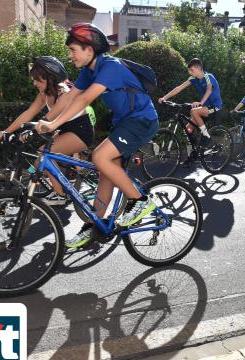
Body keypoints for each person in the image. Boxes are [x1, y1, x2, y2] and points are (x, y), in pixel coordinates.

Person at [37, 23, 159, 248]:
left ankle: (141, 201)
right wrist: (43, 122)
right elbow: (70, 97)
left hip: (142, 121)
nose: (70, 55)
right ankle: (97, 225)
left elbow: (84, 100)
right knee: (106, 171)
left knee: (100, 157)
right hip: (124, 123)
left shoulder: (110, 67)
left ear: (89, 50)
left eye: (73, 50)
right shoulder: (89, 71)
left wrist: (54, 124)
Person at [0, 56, 94, 205]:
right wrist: (7, 131)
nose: (34, 83)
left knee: (43, 153)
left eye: (38, 80)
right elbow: (29, 113)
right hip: (63, 130)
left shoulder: (65, 94)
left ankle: (59, 194)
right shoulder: (45, 94)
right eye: (33, 79)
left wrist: (31, 131)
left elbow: (49, 119)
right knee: (38, 162)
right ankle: (63, 184)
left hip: (80, 131)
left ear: (51, 78)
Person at [158, 58, 222, 165]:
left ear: (198, 68)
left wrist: (201, 103)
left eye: (191, 70)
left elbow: (209, 90)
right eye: (189, 71)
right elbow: (179, 88)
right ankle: (192, 154)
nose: (190, 72)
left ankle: (207, 137)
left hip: (214, 107)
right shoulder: (193, 79)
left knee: (194, 111)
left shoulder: (208, 77)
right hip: (204, 108)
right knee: (188, 129)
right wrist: (164, 98)